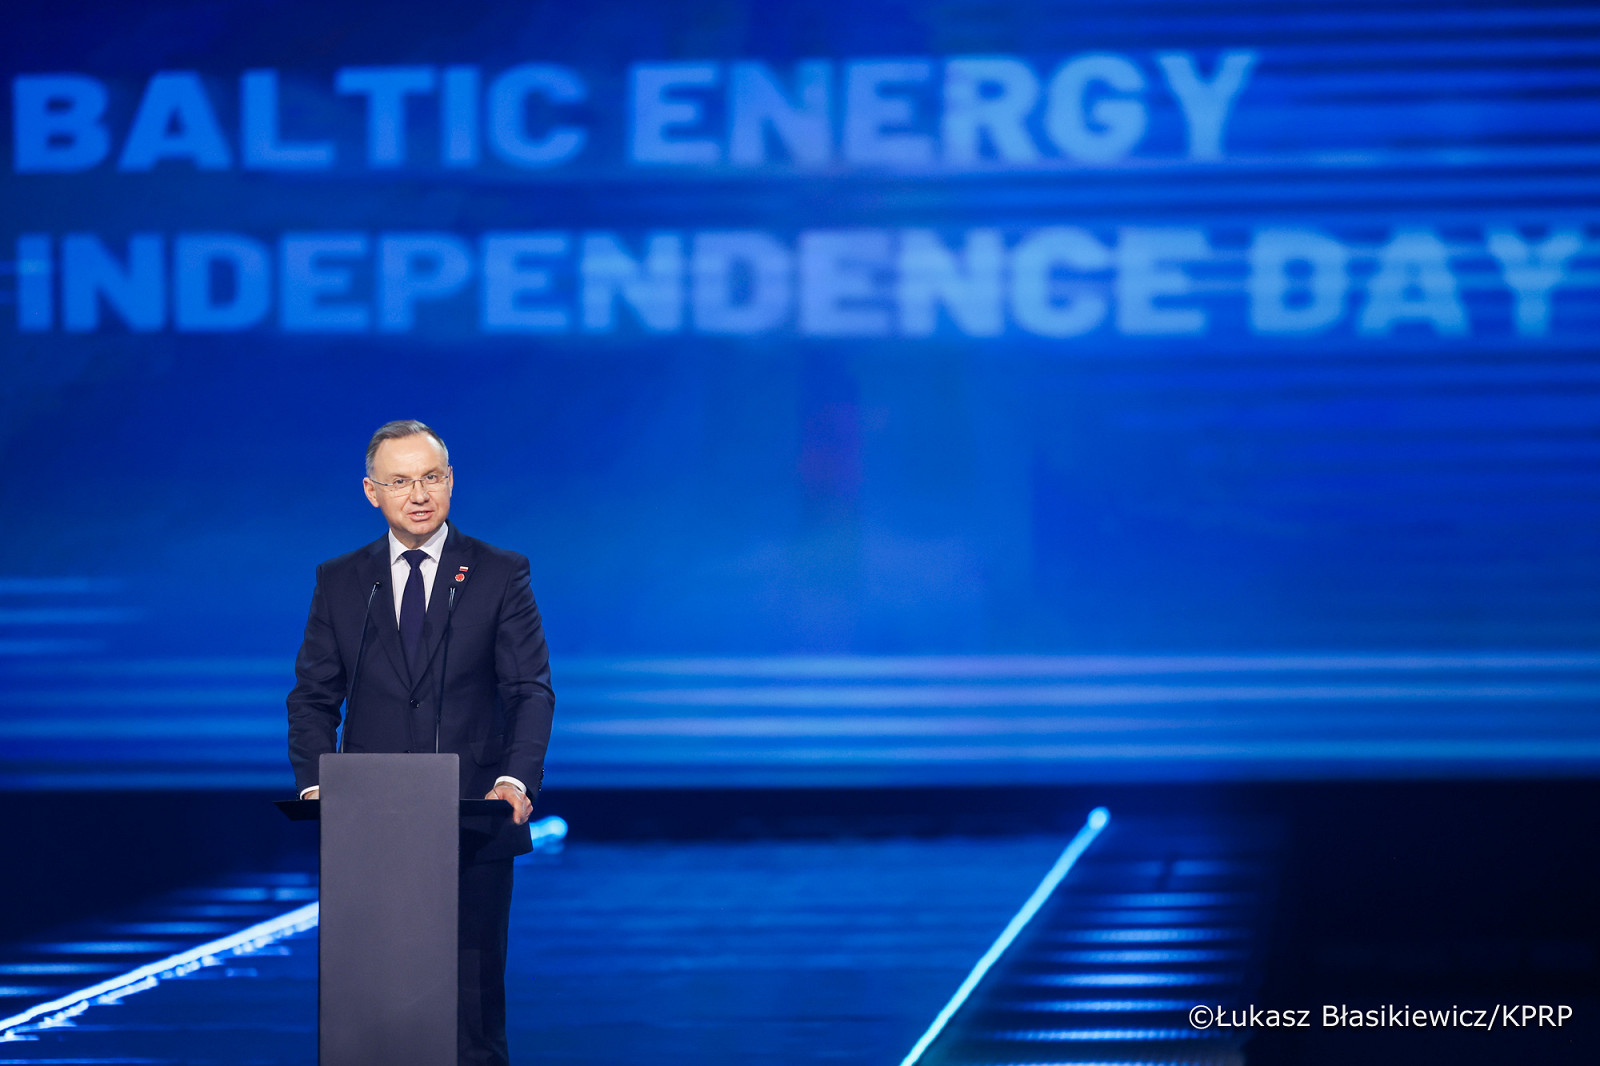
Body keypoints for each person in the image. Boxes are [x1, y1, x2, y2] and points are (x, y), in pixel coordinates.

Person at [286, 419, 555, 1066]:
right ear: (371, 492)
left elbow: (530, 690)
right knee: (370, 1016)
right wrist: (318, 784)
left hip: (472, 817)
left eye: (431, 477)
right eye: (401, 481)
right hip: (368, 823)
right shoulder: (341, 580)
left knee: (470, 1018)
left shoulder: (498, 572)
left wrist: (514, 781)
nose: (419, 494)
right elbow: (313, 697)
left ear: (451, 481)